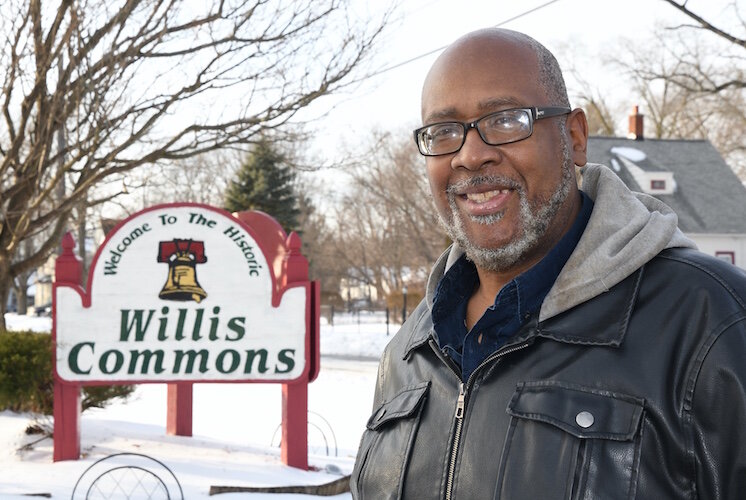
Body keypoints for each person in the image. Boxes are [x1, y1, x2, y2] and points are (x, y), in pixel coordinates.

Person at [350, 28, 746, 499]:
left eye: (505, 119)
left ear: (575, 138)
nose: (471, 155)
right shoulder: (407, 355)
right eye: (444, 132)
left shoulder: (711, 322)